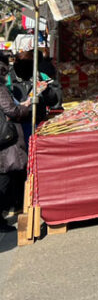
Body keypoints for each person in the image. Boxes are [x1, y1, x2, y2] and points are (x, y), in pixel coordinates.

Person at [0, 54, 30, 232]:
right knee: (4, 177)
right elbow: (11, 110)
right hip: (4, 138)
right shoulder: (0, 88)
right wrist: (25, 107)